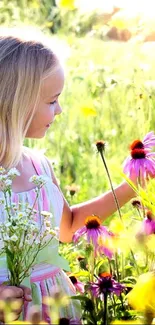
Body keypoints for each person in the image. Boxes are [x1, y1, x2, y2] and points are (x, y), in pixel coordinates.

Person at [0, 34, 136, 323]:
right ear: (16, 101)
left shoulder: (39, 166)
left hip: (55, 306)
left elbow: (68, 227)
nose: (59, 110)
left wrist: (133, 186)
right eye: (52, 100)